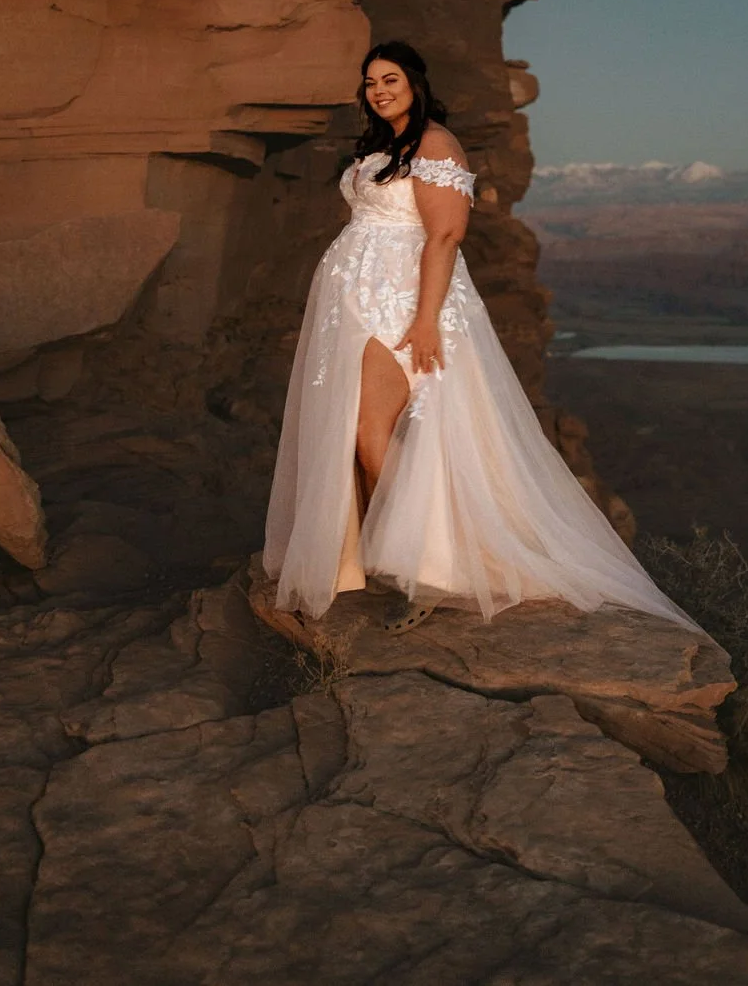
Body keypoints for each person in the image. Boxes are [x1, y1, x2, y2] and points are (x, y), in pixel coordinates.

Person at [263, 41, 699, 635]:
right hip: (353, 301)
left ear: (415, 82)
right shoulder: (380, 147)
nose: (379, 90)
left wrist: (423, 320)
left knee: (372, 434)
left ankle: (431, 568)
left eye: (390, 78)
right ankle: (377, 558)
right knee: (351, 429)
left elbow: (444, 237)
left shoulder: (436, 145)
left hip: (403, 302)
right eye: (370, 82)